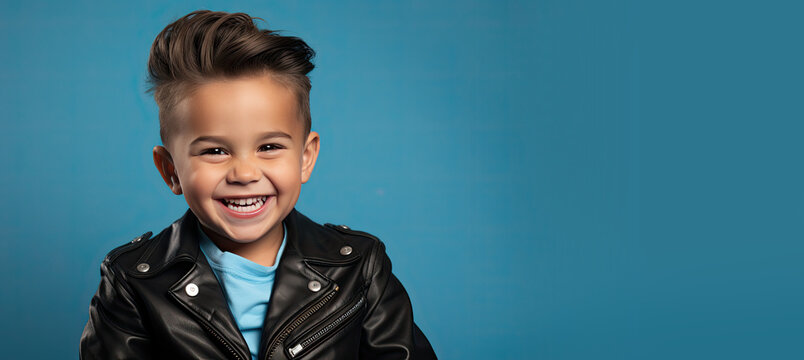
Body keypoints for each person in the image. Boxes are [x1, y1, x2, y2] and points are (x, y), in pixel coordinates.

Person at [80, 10, 436, 360]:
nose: (245, 173)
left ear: (305, 158)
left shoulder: (358, 267)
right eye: (215, 151)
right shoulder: (135, 281)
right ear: (170, 170)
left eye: (269, 147)